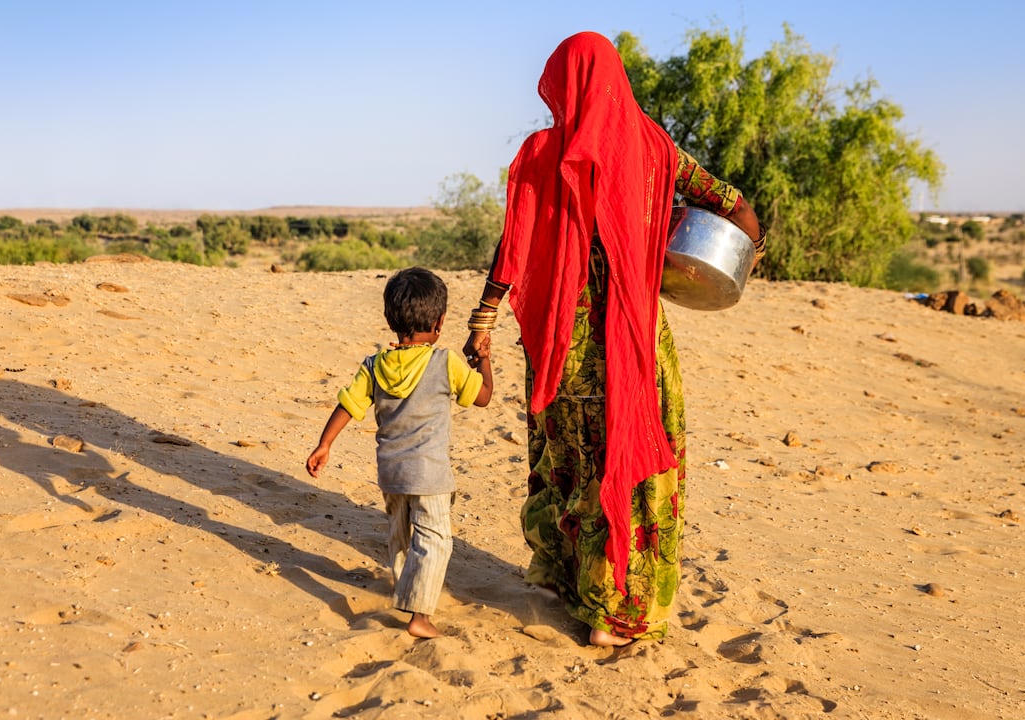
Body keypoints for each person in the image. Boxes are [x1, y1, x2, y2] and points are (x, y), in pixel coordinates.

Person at [462, 31, 766, 647]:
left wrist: (484, 320)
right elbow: (737, 210)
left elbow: (512, 249)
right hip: (633, 342)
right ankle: (618, 614)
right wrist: (733, 261)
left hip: (560, 346)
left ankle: (556, 576)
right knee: (634, 465)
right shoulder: (655, 148)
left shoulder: (541, 152)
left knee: (567, 459)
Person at [307, 266, 494, 639]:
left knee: (401, 536)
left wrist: (324, 444)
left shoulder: (375, 366)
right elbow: (484, 396)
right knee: (434, 539)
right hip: (431, 475)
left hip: (391, 473)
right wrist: (483, 360)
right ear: (440, 322)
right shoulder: (445, 362)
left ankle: (403, 589)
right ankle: (419, 615)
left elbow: (348, 405)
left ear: (390, 319)